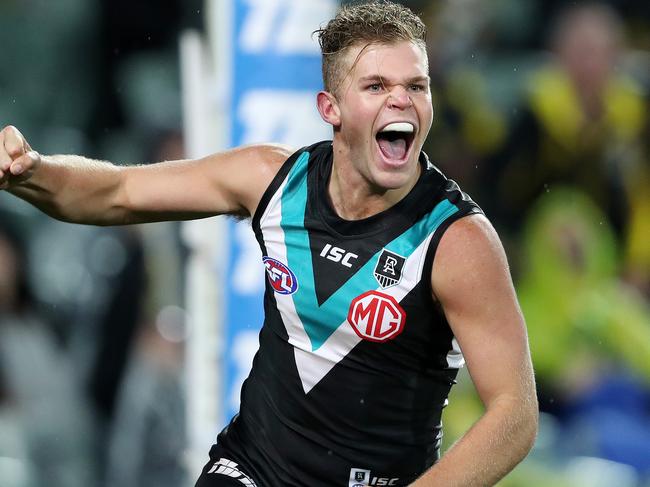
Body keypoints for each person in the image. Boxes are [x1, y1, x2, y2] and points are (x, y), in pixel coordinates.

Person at [0, 1, 538, 485]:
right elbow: (116, 191)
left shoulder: (457, 240)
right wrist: (32, 171)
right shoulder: (271, 180)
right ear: (330, 108)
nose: (402, 101)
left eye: (416, 86)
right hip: (253, 470)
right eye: (376, 86)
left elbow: (514, 414)